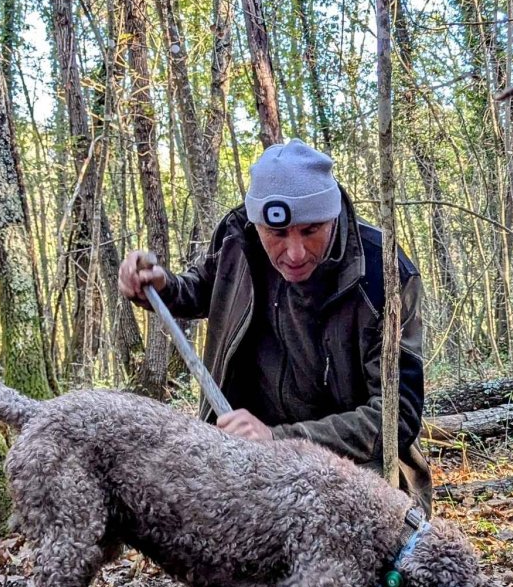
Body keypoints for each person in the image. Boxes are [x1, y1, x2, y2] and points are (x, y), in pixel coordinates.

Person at [118, 139, 432, 512]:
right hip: (251, 463)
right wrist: (162, 287)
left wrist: (277, 439)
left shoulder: (386, 275)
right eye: (277, 234)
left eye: (311, 230)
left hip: (355, 473)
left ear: (332, 216)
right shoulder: (238, 238)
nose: (295, 253)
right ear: (257, 224)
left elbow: (397, 417)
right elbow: (205, 289)